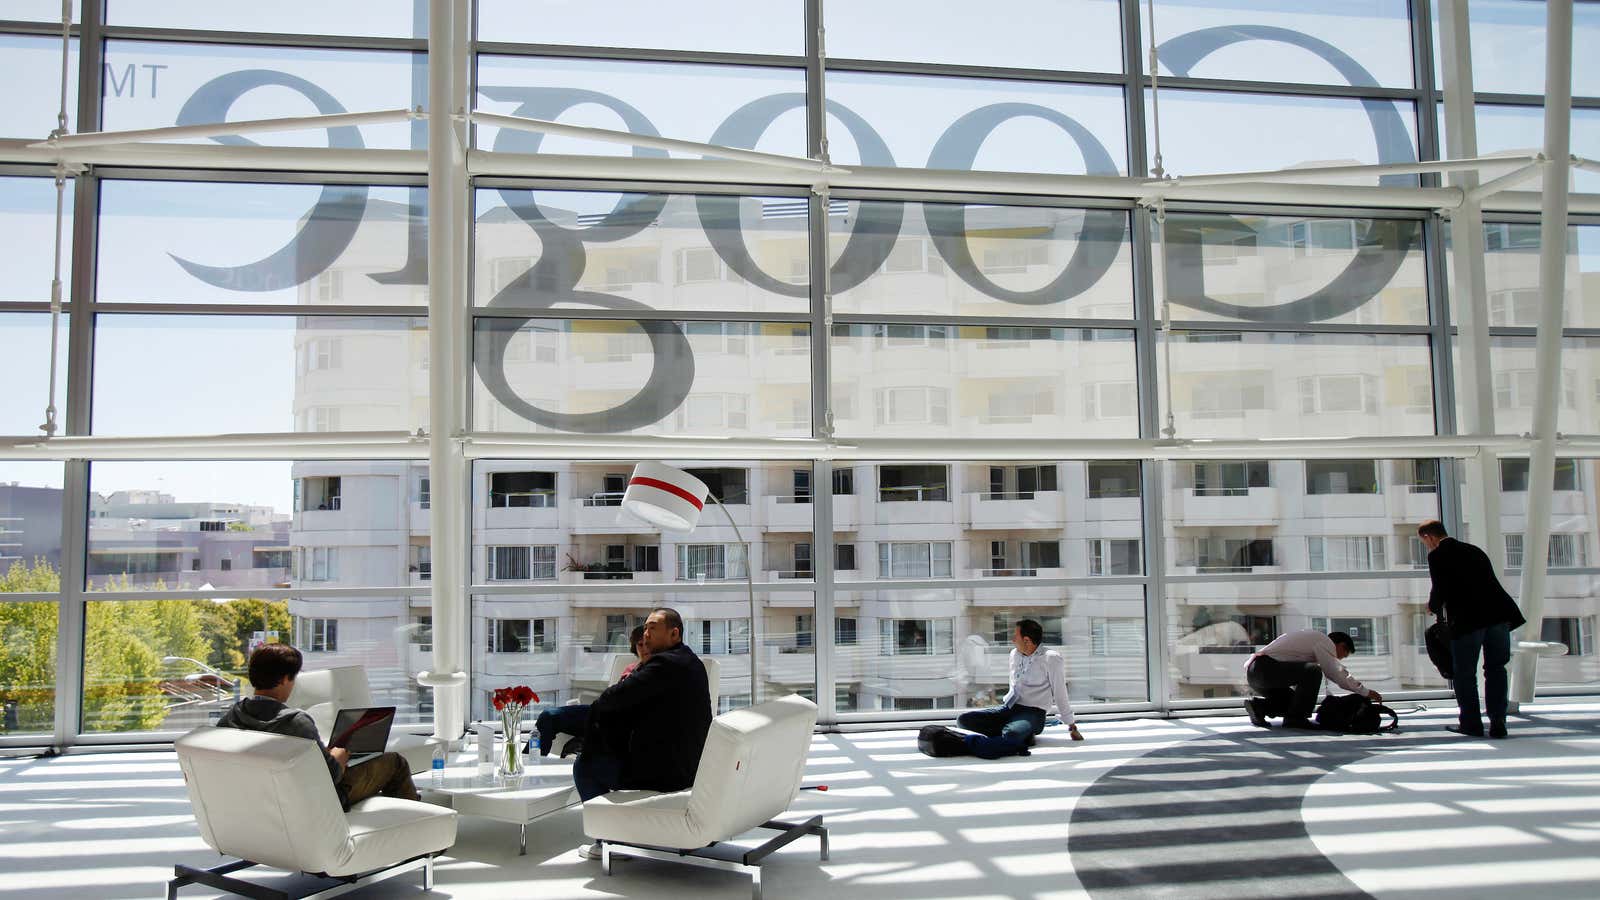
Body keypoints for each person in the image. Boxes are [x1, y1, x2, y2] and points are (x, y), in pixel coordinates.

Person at [572, 607, 711, 860]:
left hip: (667, 773)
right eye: (645, 628)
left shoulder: (664, 664)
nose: (645, 635)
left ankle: (610, 842)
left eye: (653, 628)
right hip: (690, 765)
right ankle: (621, 829)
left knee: (586, 766)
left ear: (674, 633)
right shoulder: (689, 660)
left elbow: (614, 699)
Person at [216, 643, 419, 809]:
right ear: (285, 679)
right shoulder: (295, 722)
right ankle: (420, 838)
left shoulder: (231, 718)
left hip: (263, 801)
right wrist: (339, 753)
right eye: (293, 678)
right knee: (395, 763)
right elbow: (331, 775)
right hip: (317, 801)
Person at [1419, 519, 1527, 738]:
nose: (1427, 546)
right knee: (1496, 669)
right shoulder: (1474, 550)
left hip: (1469, 620)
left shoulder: (1437, 555)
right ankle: (1498, 723)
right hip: (1498, 615)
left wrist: (1432, 606)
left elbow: (1440, 587)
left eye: (1425, 542)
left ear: (1429, 537)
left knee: (1465, 674)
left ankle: (1471, 724)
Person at [952, 619, 1082, 758]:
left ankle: (1016, 733)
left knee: (1012, 733)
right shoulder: (1014, 654)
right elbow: (1013, 684)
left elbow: (1060, 693)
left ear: (1026, 640)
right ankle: (1020, 735)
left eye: (1015, 636)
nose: (1013, 640)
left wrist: (1071, 726)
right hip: (1010, 708)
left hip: (1034, 712)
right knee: (964, 720)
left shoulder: (1051, 658)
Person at [529, 624, 648, 757]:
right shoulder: (630, 668)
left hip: (616, 723)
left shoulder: (653, 671)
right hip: (600, 712)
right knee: (548, 716)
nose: (644, 649)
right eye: (640, 645)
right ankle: (530, 762)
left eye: (647, 645)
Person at [1244, 630, 1380, 729]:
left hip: (1255, 673)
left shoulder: (1313, 641)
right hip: (1265, 669)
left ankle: (1258, 707)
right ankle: (1297, 719)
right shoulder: (1324, 642)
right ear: (1341, 645)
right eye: (1343, 655)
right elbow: (1337, 673)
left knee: (1294, 703)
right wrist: (1365, 692)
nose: (1339, 659)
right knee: (1313, 671)